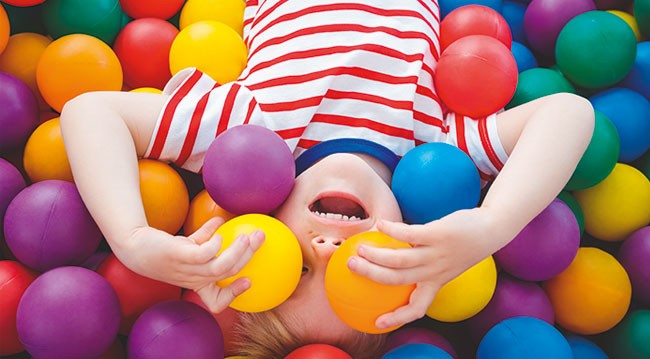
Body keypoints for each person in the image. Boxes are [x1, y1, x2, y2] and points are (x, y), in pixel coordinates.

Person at [60, 0, 594, 357]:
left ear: (256, 228)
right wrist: (489, 227)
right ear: (410, 259)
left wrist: (131, 239)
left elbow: (89, 113)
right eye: (356, 275)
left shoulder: (246, 137)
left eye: (294, 271)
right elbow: (569, 114)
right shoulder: (435, 152)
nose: (326, 247)